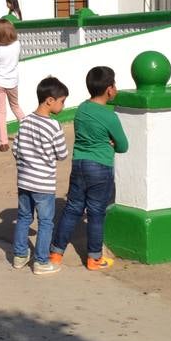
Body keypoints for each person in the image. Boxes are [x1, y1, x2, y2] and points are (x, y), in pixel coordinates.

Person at [49, 66, 128, 270]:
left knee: (72, 208)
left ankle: (56, 253)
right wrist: (111, 142)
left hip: (79, 164)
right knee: (96, 213)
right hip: (101, 167)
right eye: (115, 85)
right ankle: (94, 258)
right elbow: (123, 146)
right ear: (109, 90)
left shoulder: (82, 109)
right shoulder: (110, 116)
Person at [12, 76, 69, 274]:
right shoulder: (54, 126)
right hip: (43, 183)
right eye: (62, 101)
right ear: (50, 100)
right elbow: (62, 154)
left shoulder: (25, 120)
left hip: (24, 180)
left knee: (24, 217)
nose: (63, 105)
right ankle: (41, 261)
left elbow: (16, 148)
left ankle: (19, 256)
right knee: (45, 222)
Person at [0, 19, 23, 152]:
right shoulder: (17, 44)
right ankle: (29, 131)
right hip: (12, 81)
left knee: (1, 113)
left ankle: (3, 142)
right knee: (16, 107)